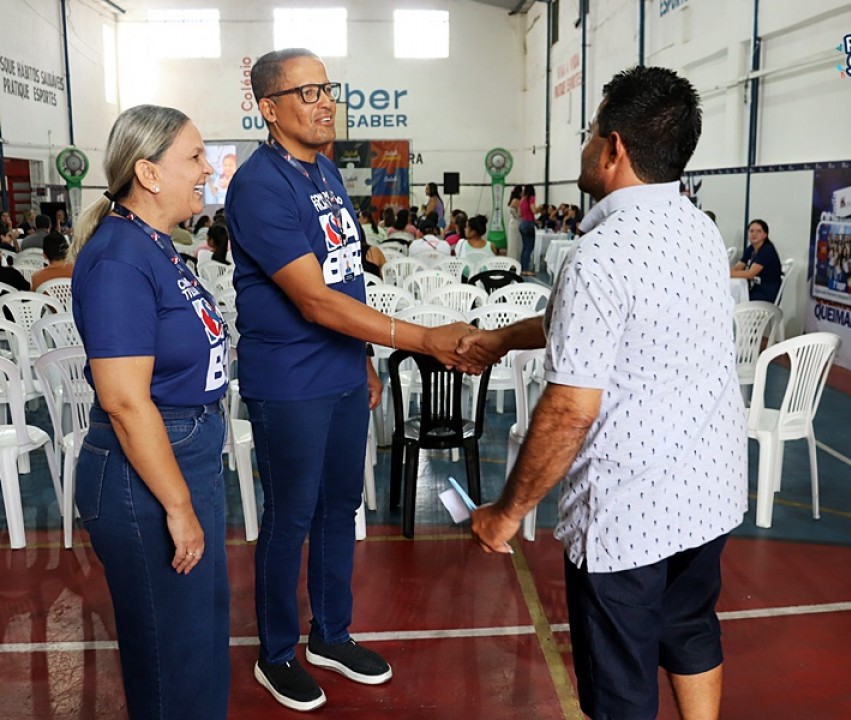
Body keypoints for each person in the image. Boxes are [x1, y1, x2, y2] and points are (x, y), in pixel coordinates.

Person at [457, 65, 747, 720]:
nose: (587, 145)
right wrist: (502, 338)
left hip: (630, 513)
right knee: (692, 627)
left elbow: (569, 411)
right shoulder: (698, 230)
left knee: (620, 686)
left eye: (591, 133)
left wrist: (505, 513)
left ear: (613, 148)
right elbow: (600, 323)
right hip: (708, 490)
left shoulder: (601, 252)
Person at [225, 48, 474, 713]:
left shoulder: (328, 170)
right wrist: (422, 340)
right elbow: (312, 300)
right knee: (291, 515)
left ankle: (330, 634)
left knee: (342, 508)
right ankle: (276, 651)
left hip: (340, 372)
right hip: (290, 382)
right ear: (269, 108)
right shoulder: (258, 185)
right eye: (306, 92)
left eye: (327, 88)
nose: (325, 101)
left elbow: (347, 276)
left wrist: (363, 356)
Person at [70, 105, 230, 719]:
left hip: (184, 451)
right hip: (149, 471)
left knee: (200, 638)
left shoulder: (158, 246)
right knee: (173, 657)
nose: (206, 169)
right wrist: (180, 506)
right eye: (193, 157)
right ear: (149, 173)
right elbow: (125, 398)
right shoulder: (119, 258)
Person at [731, 219, 782, 302]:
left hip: (766, 293)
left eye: (758, 231)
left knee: (734, 299)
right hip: (754, 289)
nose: (754, 234)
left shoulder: (767, 250)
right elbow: (738, 267)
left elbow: (750, 274)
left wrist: (727, 274)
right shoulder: (751, 249)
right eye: (751, 231)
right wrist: (728, 272)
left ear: (765, 235)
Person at [518, 184, 537, 275]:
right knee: (529, 247)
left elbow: (519, 213)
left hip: (522, 223)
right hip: (529, 224)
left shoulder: (522, 199)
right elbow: (533, 210)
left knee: (525, 247)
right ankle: (525, 269)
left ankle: (522, 267)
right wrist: (539, 209)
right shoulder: (531, 198)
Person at [506, 185, 522, 261]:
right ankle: (515, 259)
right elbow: (519, 214)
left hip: (512, 222)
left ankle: (511, 258)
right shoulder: (517, 201)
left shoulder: (512, 200)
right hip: (516, 223)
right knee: (516, 243)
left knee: (512, 242)